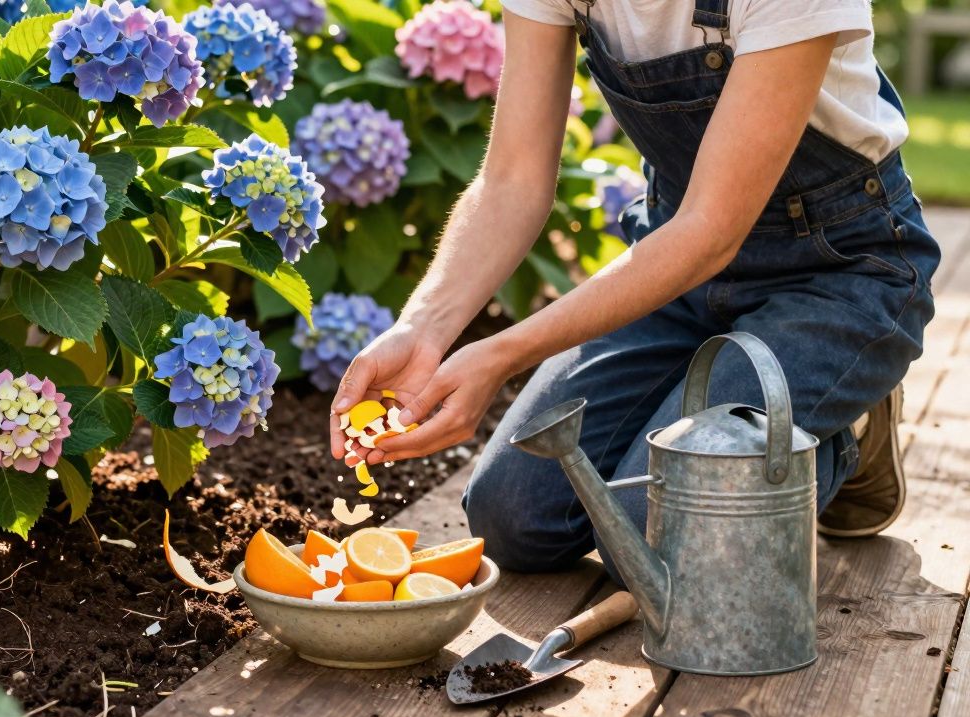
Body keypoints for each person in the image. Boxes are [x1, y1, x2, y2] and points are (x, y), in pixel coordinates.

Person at [328, 0, 939, 583]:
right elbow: (512, 178)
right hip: (671, 268)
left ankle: (849, 420)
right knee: (514, 517)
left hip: (837, 272)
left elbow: (711, 231)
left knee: (656, 539)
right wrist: (423, 328)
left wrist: (502, 354)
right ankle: (755, 407)